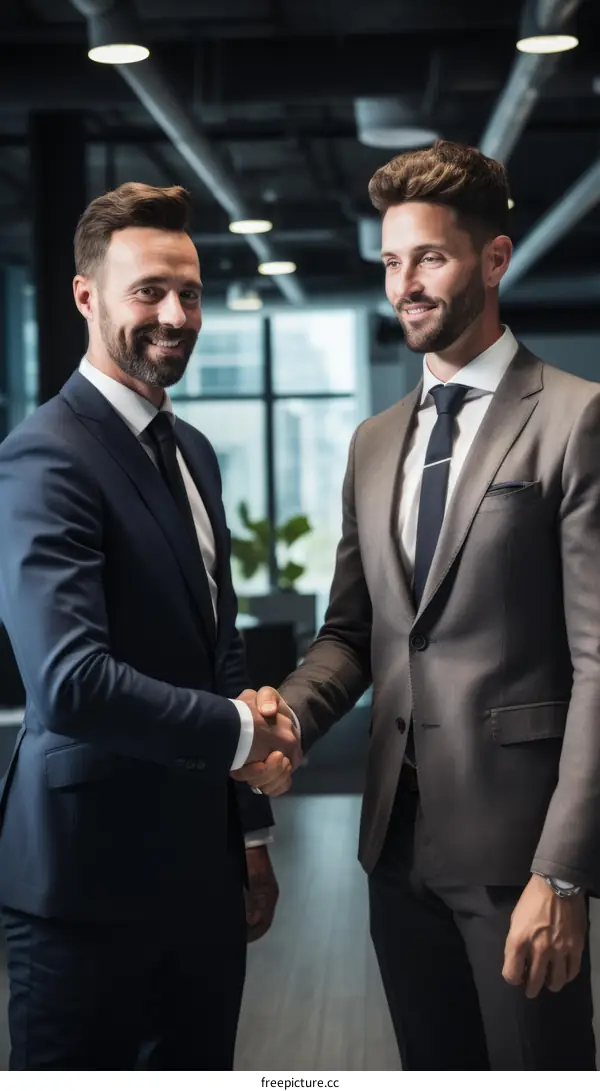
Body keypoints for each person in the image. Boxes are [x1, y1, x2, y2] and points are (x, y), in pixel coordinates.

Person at [234, 141, 600, 1070]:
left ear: (494, 258)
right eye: (393, 262)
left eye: (429, 258)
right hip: (393, 850)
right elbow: (353, 632)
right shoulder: (373, 440)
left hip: (520, 854)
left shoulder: (574, 418)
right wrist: (289, 716)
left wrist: (562, 871)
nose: (406, 285)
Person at [0, 182, 300, 1071]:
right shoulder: (43, 457)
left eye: (191, 292)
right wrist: (248, 731)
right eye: (149, 291)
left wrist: (247, 835)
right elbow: (70, 681)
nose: (176, 315)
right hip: (85, 887)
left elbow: (221, 650)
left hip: (201, 876)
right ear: (86, 295)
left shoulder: (193, 448)